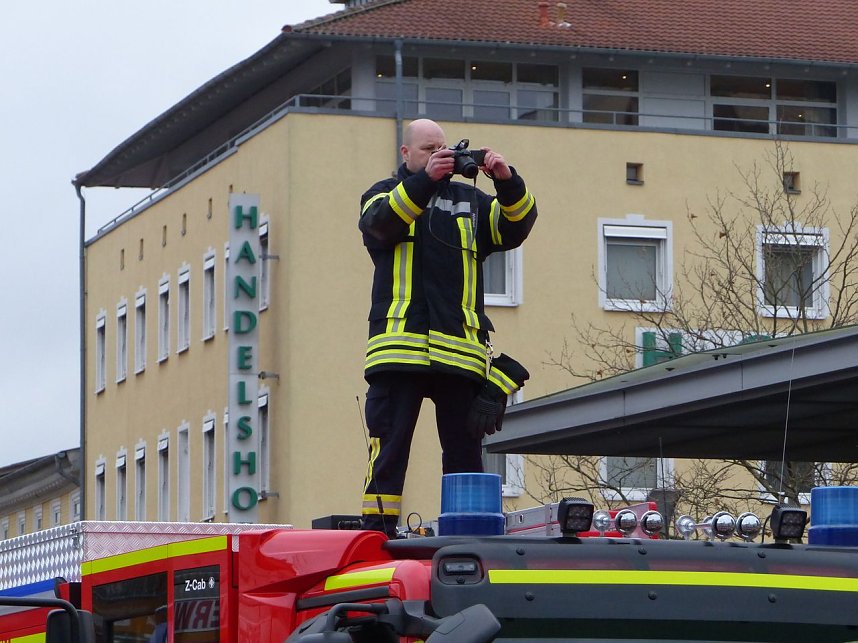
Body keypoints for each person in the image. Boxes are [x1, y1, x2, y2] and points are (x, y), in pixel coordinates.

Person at [358, 119, 537, 537]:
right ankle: (377, 533)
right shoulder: (383, 194)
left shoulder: (470, 201)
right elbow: (382, 226)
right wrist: (424, 181)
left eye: (445, 150)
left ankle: (468, 532)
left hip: (459, 353)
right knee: (389, 448)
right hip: (399, 350)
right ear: (406, 154)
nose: (440, 157)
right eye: (428, 150)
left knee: (465, 453)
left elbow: (516, 226)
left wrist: (507, 181)